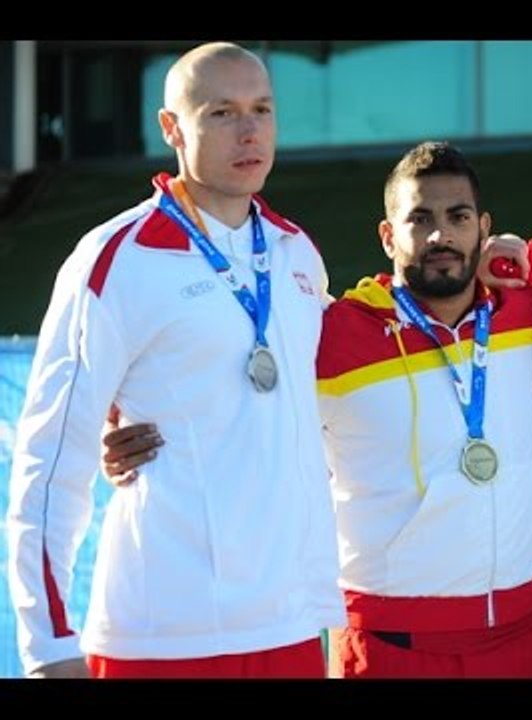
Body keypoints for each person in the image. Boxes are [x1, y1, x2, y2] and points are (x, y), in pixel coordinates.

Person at [102, 141, 532, 679]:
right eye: (420, 219)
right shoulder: (333, 333)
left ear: (483, 227)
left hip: (527, 634)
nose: (440, 235)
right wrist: (116, 423)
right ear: (388, 235)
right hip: (391, 645)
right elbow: (223, 389)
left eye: (457, 217)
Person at [6, 42, 344, 679]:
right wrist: (49, 644)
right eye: (221, 113)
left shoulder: (297, 253)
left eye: (262, 110)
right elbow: (52, 462)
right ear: (172, 128)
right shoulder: (116, 260)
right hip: (162, 636)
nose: (249, 132)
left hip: (291, 626)